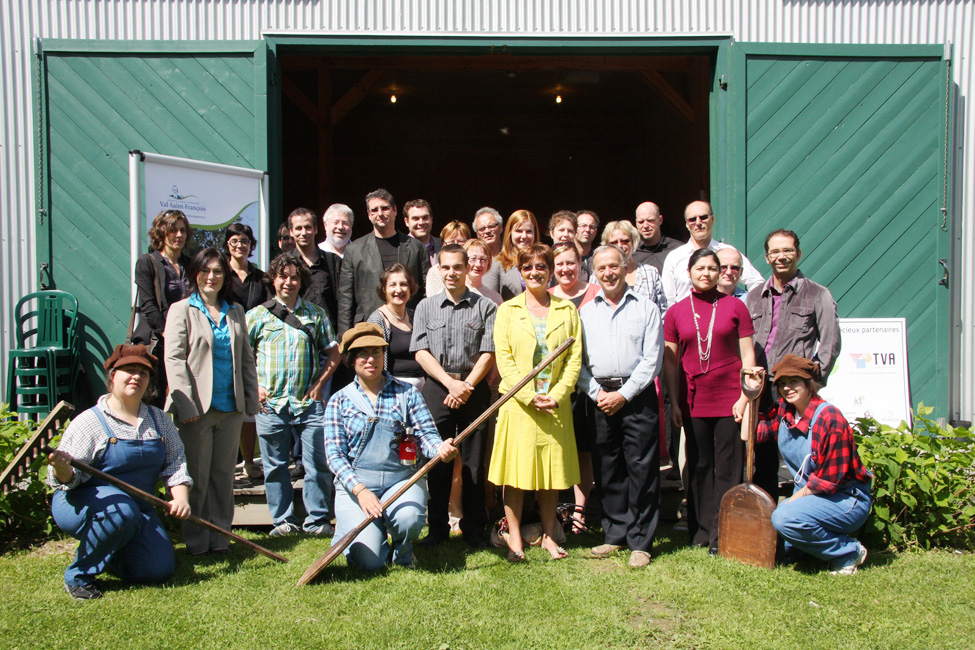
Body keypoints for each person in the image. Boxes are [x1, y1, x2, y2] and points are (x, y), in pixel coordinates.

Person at [47, 344, 192, 600]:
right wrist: (62, 468)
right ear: (112, 376)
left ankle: (111, 550)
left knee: (157, 570)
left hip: (138, 507)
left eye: (143, 373)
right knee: (121, 510)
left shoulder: (159, 421)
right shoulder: (90, 421)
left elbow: (176, 463)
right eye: (129, 370)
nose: (136, 376)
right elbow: (65, 480)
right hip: (80, 503)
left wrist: (180, 498)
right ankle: (79, 576)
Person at [324, 323, 458, 570]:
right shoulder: (339, 401)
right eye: (363, 353)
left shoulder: (407, 393)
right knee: (370, 563)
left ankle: (403, 552)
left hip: (401, 479)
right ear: (351, 360)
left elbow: (425, 433)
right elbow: (334, 456)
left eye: (376, 352)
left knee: (409, 519)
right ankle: (359, 538)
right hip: (357, 484)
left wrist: (439, 448)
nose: (370, 359)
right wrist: (360, 490)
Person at [488, 243, 583, 561]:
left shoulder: (567, 310)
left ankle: (547, 535)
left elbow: (574, 359)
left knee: (550, 474)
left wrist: (555, 396)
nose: (534, 273)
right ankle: (514, 538)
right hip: (519, 405)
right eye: (528, 268)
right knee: (515, 475)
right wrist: (528, 396)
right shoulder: (508, 311)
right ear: (520, 271)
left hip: (554, 407)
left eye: (541, 267)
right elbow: (505, 360)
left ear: (551, 270)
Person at [163, 248, 259, 556]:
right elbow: (174, 359)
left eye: (218, 271)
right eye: (206, 271)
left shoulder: (235, 311)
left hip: (230, 408)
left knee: (222, 478)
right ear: (195, 275)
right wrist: (186, 405)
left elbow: (246, 359)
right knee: (198, 478)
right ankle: (195, 540)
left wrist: (249, 399)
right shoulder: (182, 310)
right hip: (196, 411)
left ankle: (220, 538)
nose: (212, 277)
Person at [663, 249, 756, 554]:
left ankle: (724, 532)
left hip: (731, 400)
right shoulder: (676, 312)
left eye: (712, 268)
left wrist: (745, 397)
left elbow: (748, 358)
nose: (706, 273)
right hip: (693, 401)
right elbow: (671, 363)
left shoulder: (736, 307)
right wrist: (675, 404)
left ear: (721, 273)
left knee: (728, 467)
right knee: (700, 465)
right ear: (689, 272)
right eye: (700, 268)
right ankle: (701, 530)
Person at [578, 245, 664, 568]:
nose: (609, 273)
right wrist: (597, 392)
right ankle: (615, 534)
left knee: (641, 467)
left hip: (636, 395)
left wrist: (624, 394)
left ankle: (641, 541)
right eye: (602, 269)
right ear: (594, 272)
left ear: (626, 265)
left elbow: (652, 359)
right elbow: (580, 363)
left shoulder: (646, 308)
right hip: (599, 396)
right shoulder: (586, 313)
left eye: (614, 266)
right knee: (607, 466)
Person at [747, 354, 872, 574]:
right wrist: (751, 394)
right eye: (782, 384)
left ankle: (849, 551)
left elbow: (827, 482)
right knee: (782, 545)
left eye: (793, 381)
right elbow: (752, 434)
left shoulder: (830, 418)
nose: (787, 388)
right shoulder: (784, 412)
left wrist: (788, 505)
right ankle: (808, 549)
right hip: (811, 497)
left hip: (845, 498)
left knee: (784, 519)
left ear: (809, 383)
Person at [247, 254, 340, 537]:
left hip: (308, 403)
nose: (288, 282)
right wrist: (255, 386)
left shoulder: (315, 314)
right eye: (282, 276)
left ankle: (317, 520)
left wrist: (320, 384)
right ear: (273, 279)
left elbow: (334, 353)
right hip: (270, 404)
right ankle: (283, 521)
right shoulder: (257, 315)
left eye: (294, 277)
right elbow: (242, 356)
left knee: (317, 465)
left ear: (302, 282)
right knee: (275, 467)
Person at [411, 244, 497, 549]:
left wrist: (466, 386)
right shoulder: (425, 307)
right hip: (438, 386)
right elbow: (421, 351)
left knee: (474, 460)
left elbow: (489, 351)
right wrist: (449, 384)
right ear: (438, 270)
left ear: (466, 269)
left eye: (457, 267)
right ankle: (437, 528)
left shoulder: (485, 307)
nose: (451, 273)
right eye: (445, 267)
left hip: (473, 387)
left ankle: (474, 527)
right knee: (438, 457)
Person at [746, 229, 842, 500]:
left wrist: (812, 382)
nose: (781, 256)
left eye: (787, 250)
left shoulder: (817, 294)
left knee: (800, 451)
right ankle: (767, 520)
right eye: (775, 252)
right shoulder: (753, 297)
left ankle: (802, 515)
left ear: (798, 253)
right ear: (766, 257)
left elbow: (830, 343)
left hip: (793, 388)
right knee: (762, 457)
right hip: (761, 388)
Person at [548, 242, 599, 531]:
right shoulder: (547, 296)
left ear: (580, 263)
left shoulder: (595, 294)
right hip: (555, 386)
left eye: (571, 263)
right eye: (560, 264)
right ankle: (553, 512)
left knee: (584, 449)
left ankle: (579, 510)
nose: (566, 269)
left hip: (587, 383)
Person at [337, 188, 430, 334]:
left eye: (385, 208)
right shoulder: (354, 250)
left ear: (395, 210)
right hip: (368, 327)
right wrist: (344, 336)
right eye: (374, 210)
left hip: (409, 328)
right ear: (368, 215)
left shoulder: (416, 247)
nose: (380, 213)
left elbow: (426, 291)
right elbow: (345, 297)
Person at [132, 209, 192, 406]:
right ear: (161, 232)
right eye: (173, 230)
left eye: (183, 230)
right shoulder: (147, 262)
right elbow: (148, 304)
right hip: (159, 341)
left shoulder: (191, 265)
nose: (179, 235)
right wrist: (169, 333)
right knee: (155, 400)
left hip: (188, 341)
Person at [224, 224, 268, 481]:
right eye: (233, 241)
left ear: (251, 245)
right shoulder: (221, 274)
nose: (239, 245)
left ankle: (249, 462)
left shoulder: (261, 278)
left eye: (244, 241)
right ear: (227, 244)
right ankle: (228, 461)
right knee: (229, 405)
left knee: (249, 408)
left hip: (255, 348)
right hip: (226, 344)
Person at [661, 200, 763, 306]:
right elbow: (668, 298)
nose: (698, 223)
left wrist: (745, 306)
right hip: (685, 318)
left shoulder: (727, 253)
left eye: (703, 217)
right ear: (687, 224)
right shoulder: (674, 257)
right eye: (692, 219)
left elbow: (757, 283)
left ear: (713, 219)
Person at [366, 264, 425, 390]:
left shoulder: (414, 316)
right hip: (392, 388)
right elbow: (373, 359)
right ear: (384, 289)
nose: (398, 290)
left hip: (421, 387)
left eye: (404, 284)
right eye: (392, 285)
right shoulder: (378, 320)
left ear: (411, 289)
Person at [288, 207, 341, 332]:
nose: (304, 232)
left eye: (308, 227)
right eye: (298, 228)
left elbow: (344, 302)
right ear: (291, 232)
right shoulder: (285, 264)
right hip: (296, 333)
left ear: (316, 229)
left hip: (329, 334)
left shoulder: (333, 262)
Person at [601, 220, 668, 314]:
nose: (620, 246)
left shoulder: (650, 272)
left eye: (625, 241)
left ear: (633, 242)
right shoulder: (599, 275)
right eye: (614, 242)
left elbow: (662, 310)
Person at [482, 209, 539, 301]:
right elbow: (489, 302)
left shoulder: (545, 262)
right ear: (510, 233)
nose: (524, 236)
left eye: (529, 231)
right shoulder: (496, 264)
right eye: (519, 231)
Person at [425, 221, 473, 297]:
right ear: (443, 244)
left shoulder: (475, 269)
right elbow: (432, 300)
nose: (456, 245)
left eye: (461, 242)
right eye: (451, 242)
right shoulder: (435, 272)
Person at [632, 202, 682, 272]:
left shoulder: (678, 249)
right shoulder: (631, 252)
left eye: (650, 220)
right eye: (641, 222)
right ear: (636, 223)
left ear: (660, 220)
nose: (645, 226)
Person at [464, 238, 503, 305]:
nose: (478, 264)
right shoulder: (452, 294)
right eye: (473, 259)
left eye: (483, 259)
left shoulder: (496, 298)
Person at [404, 199, 441, 268]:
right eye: (415, 218)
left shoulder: (443, 246)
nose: (421, 223)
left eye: (425, 218)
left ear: (431, 219)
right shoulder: (399, 248)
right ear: (406, 221)